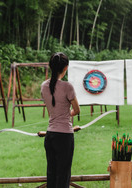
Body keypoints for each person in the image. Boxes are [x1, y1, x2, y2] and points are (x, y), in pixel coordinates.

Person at [40, 52, 80, 188]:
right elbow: (77, 110)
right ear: (65, 68)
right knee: (63, 177)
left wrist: (60, 114)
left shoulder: (43, 86)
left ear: (51, 66)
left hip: (50, 136)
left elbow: (53, 108)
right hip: (64, 137)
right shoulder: (67, 87)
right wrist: (67, 114)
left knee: (52, 175)